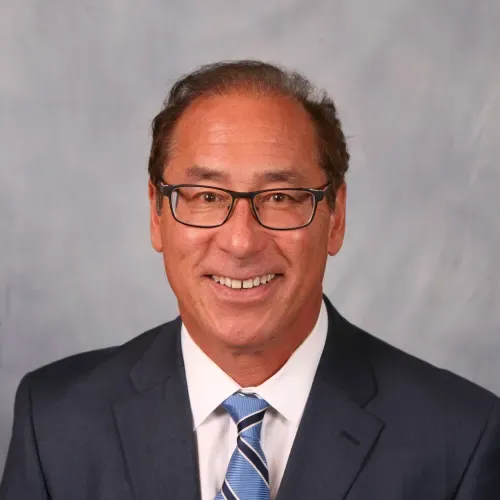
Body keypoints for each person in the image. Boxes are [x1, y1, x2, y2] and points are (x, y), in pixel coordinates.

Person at [1, 60, 499, 500]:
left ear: (337, 217)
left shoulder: (461, 438)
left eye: (281, 198)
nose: (241, 242)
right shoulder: (56, 420)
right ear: (156, 215)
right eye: (206, 197)